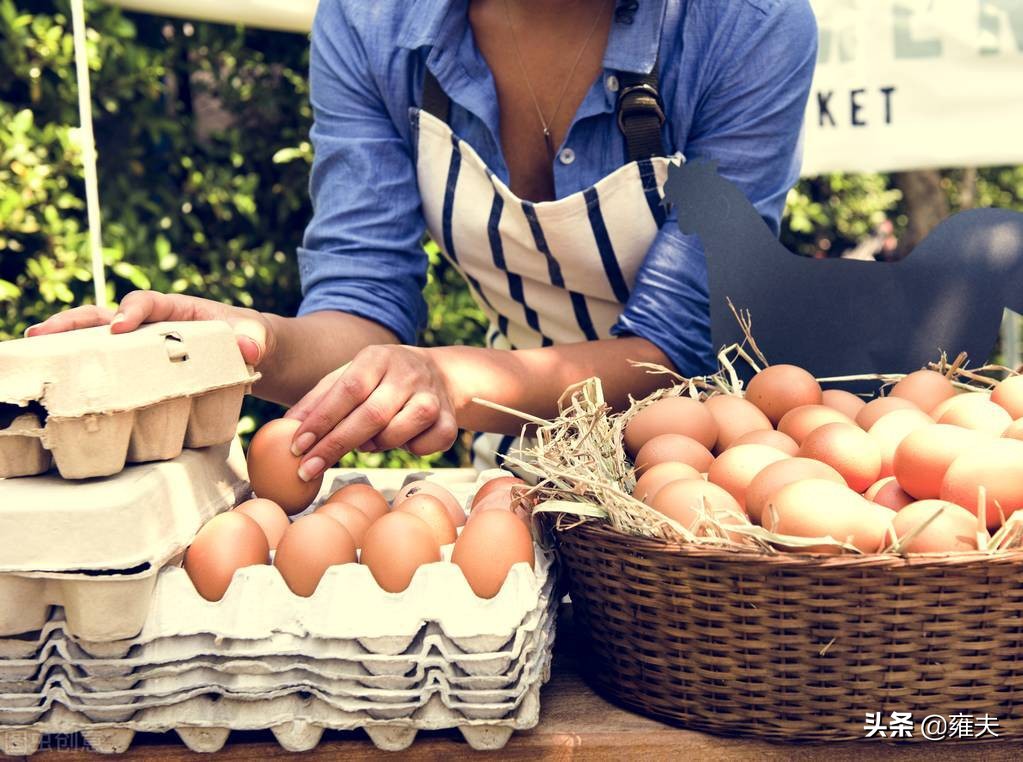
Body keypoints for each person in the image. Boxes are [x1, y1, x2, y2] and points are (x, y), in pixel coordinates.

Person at [29, 0, 818, 479]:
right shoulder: (372, 24)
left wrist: (443, 378)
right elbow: (362, 298)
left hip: (723, 485)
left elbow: (677, 345)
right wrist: (248, 345)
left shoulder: (743, 26)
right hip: (526, 471)